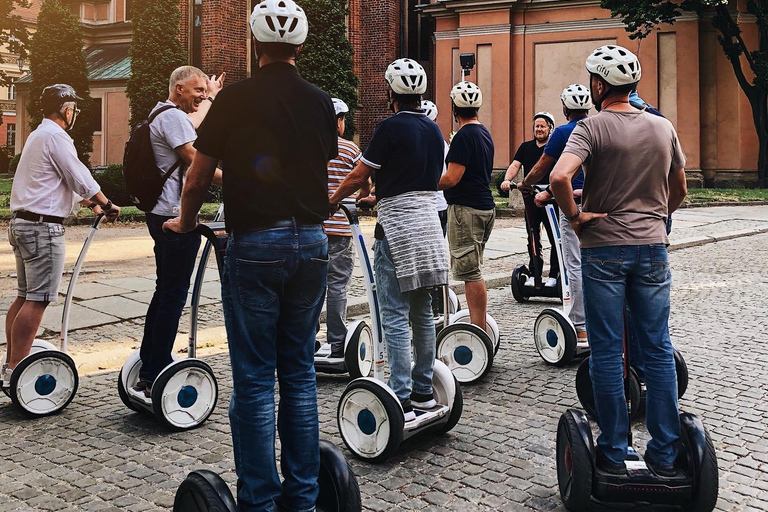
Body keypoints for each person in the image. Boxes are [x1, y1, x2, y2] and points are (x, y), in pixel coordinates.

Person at [163, 0, 337, 509]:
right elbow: (321, 163)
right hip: (312, 241)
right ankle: (303, 499)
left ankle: (260, 500)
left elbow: (197, 177)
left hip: (256, 242)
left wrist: (186, 222)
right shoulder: (320, 101)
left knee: (257, 377)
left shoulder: (234, 98)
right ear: (300, 45)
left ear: (255, 42)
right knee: (299, 372)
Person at [550, 45, 687, 477]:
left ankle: (615, 449)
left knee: (608, 350)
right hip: (652, 247)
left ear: (598, 84)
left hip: (604, 248)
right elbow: (680, 189)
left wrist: (575, 218)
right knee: (658, 348)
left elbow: (559, 176)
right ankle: (665, 453)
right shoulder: (662, 127)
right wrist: (657, 218)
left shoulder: (590, 127)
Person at [329, 58, 448, 422]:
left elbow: (358, 175)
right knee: (422, 312)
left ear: (390, 94)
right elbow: (416, 179)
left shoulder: (389, 127)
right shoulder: (434, 130)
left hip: (397, 230)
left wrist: (331, 201)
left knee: (394, 312)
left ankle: (401, 395)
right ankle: (424, 391)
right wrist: (377, 197)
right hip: (429, 227)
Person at [2, 84, 121, 388]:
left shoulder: (38, 135)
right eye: (74, 109)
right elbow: (79, 175)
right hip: (43, 229)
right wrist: (106, 203)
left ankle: (10, 364)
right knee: (37, 300)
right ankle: (15, 372)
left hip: (24, 224)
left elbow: (53, 182)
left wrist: (91, 204)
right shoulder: (56, 136)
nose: (75, 113)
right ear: (67, 110)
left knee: (25, 296)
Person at [133, 66, 224, 396]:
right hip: (173, 218)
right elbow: (197, 162)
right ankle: (155, 369)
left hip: (159, 213)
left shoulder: (163, 114)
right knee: (173, 295)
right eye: (197, 90)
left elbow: (195, 124)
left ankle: (149, 361)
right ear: (179, 88)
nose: (200, 95)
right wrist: (242, 181)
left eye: (203, 91)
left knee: (165, 291)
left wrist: (211, 96)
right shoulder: (172, 118)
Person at [523, 84, 592, 344]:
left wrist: (528, 184)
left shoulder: (562, 132)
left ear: (565, 108)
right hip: (599, 202)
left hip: (572, 204)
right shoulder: (599, 127)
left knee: (574, 263)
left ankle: (580, 324)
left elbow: (544, 167)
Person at [439, 81, 495, 331]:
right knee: (474, 268)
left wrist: (422, 182)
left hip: (466, 210)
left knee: (471, 273)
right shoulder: (484, 133)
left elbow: (452, 178)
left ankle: (478, 330)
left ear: (454, 108)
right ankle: (479, 326)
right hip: (484, 206)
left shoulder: (463, 136)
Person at [319, 98, 363, 359]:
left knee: (312, 286)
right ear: (338, 122)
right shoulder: (350, 149)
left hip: (315, 227)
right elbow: (364, 180)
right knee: (337, 285)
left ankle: (308, 339)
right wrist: (362, 196)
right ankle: (337, 341)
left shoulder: (311, 147)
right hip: (341, 227)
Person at [501, 111, 560, 288]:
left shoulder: (554, 148)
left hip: (551, 198)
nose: (539, 129)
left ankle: (554, 275)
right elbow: (515, 164)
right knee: (533, 237)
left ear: (550, 128)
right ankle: (535, 274)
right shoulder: (525, 147)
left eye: (542, 126)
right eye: (536, 126)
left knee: (555, 238)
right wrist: (507, 180)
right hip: (530, 198)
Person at [421, 99, 449, 235]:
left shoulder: (413, 141)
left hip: (421, 205)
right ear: (436, 119)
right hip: (440, 203)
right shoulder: (443, 143)